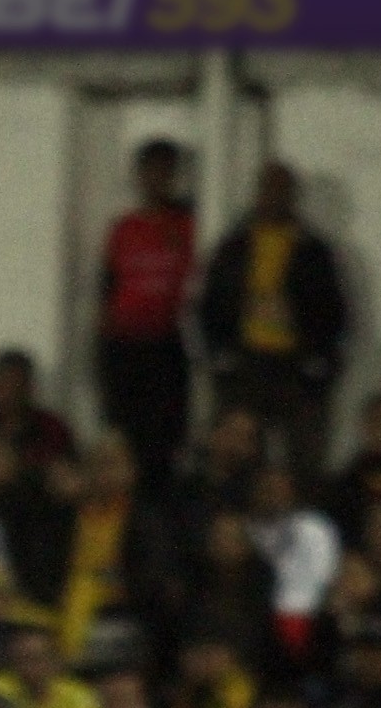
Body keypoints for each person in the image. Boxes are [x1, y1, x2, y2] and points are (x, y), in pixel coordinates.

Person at [198, 161, 348, 490]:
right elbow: (209, 304)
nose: (275, 197)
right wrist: (219, 356)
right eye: (269, 189)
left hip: (296, 368)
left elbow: (334, 313)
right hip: (245, 364)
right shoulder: (235, 246)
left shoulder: (313, 250)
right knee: (236, 454)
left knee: (304, 459)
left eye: (283, 190)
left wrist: (319, 364)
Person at [95, 139, 196, 495]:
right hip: (124, 348)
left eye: (165, 171)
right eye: (150, 171)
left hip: (165, 346)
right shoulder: (123, 229)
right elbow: (107, 289)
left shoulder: (187, 224)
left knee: (165, 446)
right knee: (123, 442)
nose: (157, 179)